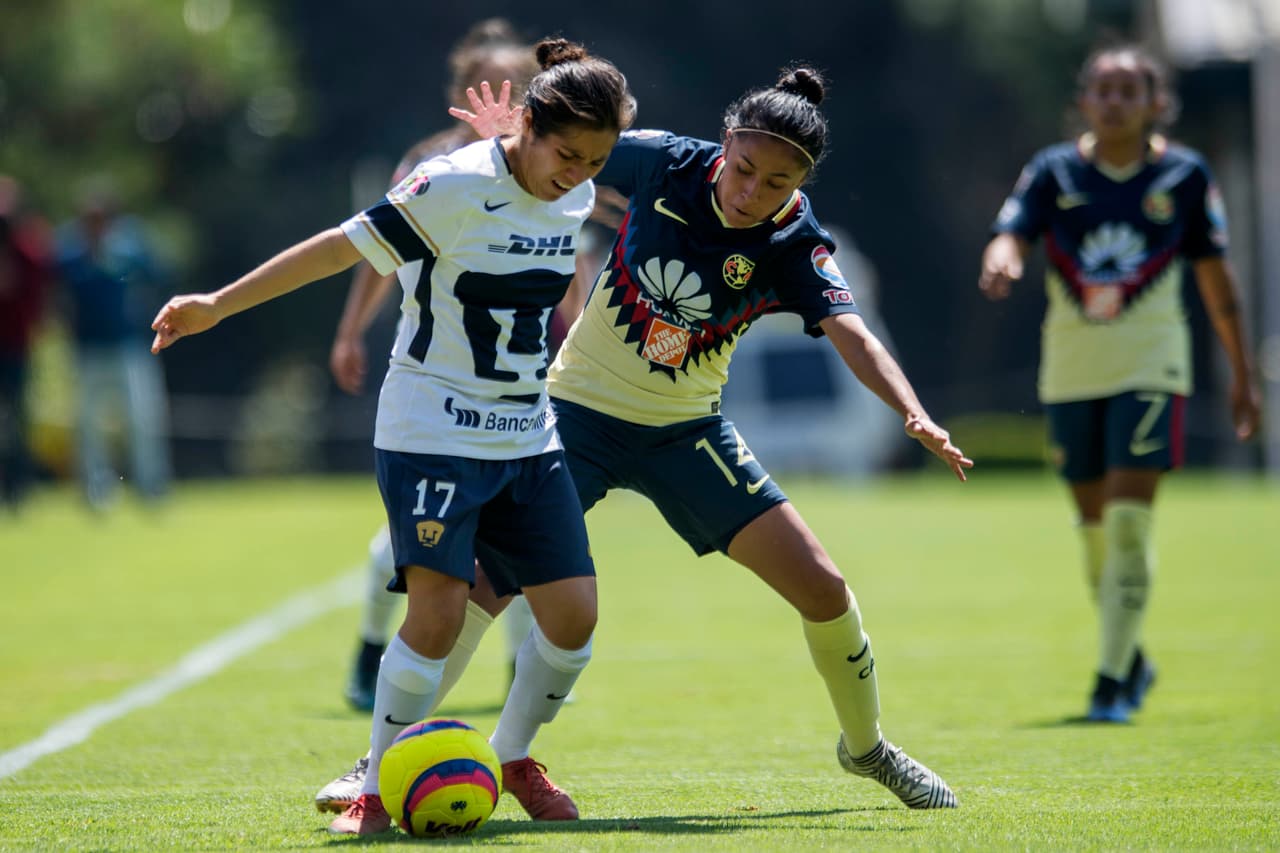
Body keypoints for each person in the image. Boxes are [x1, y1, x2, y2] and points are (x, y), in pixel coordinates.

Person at [319, 66, 971, 814]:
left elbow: (852, 332)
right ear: (724, 142)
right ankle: (386, 761)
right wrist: (514, 143)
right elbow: (569, 152)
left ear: (802, 180)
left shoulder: (796, 240)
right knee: (482, 587)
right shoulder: (663, 159)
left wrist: (912, 410)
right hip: (570, 416)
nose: (751, 192)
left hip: (685, 431)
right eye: (745, 168)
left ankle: (869, 750)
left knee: (823, 587)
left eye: (776, 182)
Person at [152, 37, 636, 835]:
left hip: (526, 434)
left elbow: (540, 244)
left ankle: (511, 755)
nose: (580, 173)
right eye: (568, 153)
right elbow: (338, 248)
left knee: (574, 617)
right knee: (439, 613)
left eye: (596, 159)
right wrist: (215, 303)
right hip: (433, 428)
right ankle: (377, 786)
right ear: (531, 127)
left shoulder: (575, 195)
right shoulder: (445, 185)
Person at [978, 44, 1261, 723]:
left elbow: (1216, 278)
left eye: (1128, 90)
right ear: (1084, 101)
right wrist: (1001, 260)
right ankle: (1131, 653)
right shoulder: (1053, 171)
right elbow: (1010, 232)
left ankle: (1108, 682)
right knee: (1095, 531)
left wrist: (1241, 374)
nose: (1113, 101)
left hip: (1152, 365)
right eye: (1102, 90)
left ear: (1155, 103)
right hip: (1071, 368)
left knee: (1130, 523)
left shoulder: (1186, 177)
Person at [328, 17, 544, 715]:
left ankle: (519, 670)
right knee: (402, 543)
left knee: (515, 539)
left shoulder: (545, 162)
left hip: (513, 385)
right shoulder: (433, 165)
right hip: (437, 378)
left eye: (519, 87)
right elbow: (373, 247)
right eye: (490, 86)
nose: (505, 99)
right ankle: (370, 656)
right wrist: (351, 330)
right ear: (460, 91)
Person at [55, 185, 173, 510]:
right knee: (88, 427)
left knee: (143, 420)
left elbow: (161, 273)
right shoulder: (70, 253)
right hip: (87, 349)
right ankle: (96, 492)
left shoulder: (131, 247)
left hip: (130, 347)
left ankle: (152, 488)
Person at [0, 177, 51, 511]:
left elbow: (35, 298)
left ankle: (17, 489)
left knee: (16, 422)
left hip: (15, 348)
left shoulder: (26, 251)